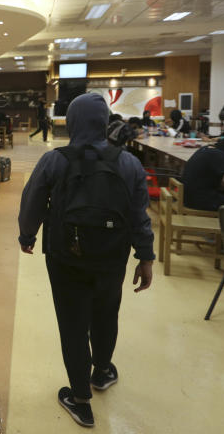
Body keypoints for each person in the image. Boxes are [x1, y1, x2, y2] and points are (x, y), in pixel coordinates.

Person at [18, 93, 154, 428]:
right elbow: (139, 215)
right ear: (104, 121)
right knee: (107, 312)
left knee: (73, 322)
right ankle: (103, 371)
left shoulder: (55, 160)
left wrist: (27, 236)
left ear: (73, 122)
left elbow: (33, 199)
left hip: (66, 255)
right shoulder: (129, 163)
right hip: (113, 254)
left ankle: (80, 398)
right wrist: (146, 257)